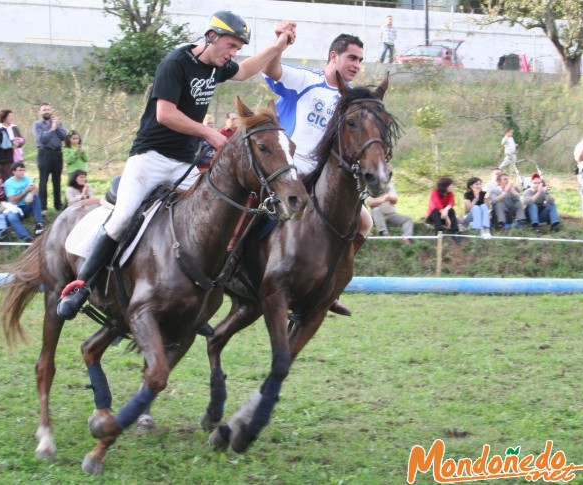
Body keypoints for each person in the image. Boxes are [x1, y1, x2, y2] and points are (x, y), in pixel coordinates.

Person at [57, 11, 298, 320]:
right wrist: (209, 132)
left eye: (238, 48)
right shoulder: (176, 63)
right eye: (230, 44)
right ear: (211, 37)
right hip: (150, 159)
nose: (233, 53)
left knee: (210, 219)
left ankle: (210, 292)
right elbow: (165, 114)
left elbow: (248, 70)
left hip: (184, 163)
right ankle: (81, 287)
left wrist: (280, 44)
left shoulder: (218, 67)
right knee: (122, 219)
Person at [263, 32, 372, 316]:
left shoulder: (351, 99)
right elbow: (270, 69)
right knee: (257, 214)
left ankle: (330, 287)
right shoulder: (305, 80)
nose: (356, 65)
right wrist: (280, 45)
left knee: (364, 222)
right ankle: (230, 264)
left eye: (360, 60)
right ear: (334, 56)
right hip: (288, 173)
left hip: (324, 179)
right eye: (351, 57)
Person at [33, 102, 66, 211]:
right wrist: (52, 129)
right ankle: (43, 206)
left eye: (48, 109)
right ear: (40, 112)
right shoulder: (37, 125)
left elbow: (63, 137)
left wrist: (57, 127)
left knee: (57, 180)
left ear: (51, 111)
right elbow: (42, 139)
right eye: (44, 110)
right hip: (44, 153)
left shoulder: (58, 123)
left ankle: (58, 204)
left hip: (57, 153)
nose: (46, 111)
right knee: (43, 180)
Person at [3, 162, 45, 243]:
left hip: (26, 207)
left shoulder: (28, 178)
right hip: (15, 208)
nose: (22, 172)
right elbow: (13, 201)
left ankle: (39, 224)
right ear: (14, 172)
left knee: (35, 197)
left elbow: (35, 188)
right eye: (20, 170)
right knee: (11, 217)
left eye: (23, 170)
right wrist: (25, 191)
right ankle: (27, 237)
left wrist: (31, 195)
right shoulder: (8, 183)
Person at [0, 109, 23, 181]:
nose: (11, 118)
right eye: (9, 116)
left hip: (16, 157)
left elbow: (22, 139)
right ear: (4, 118)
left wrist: (18, 143)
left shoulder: (14, 127)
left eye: (12, 116)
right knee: (5, 178)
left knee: (17, 178)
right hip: (5, 159)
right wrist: (11, 144)